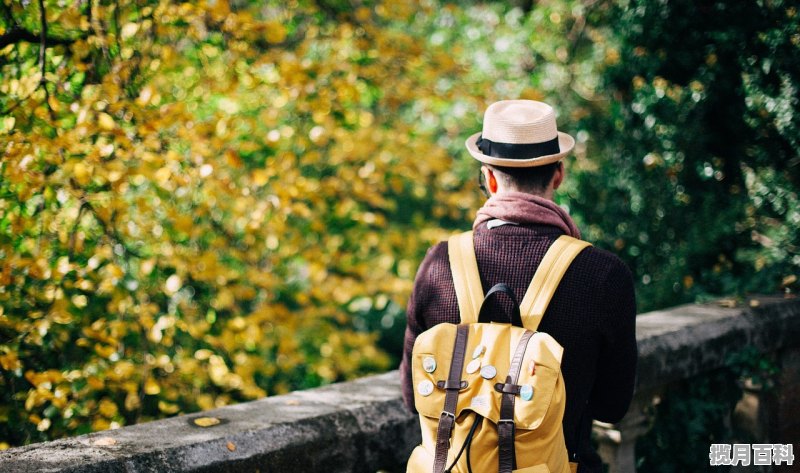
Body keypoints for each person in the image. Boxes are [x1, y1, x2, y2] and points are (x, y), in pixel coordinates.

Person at [399, 100, 638, 473]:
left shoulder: (440, 264)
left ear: (489, 179)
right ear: (558, 175)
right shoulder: (603, 274)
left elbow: (414, 397)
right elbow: (613, 406)